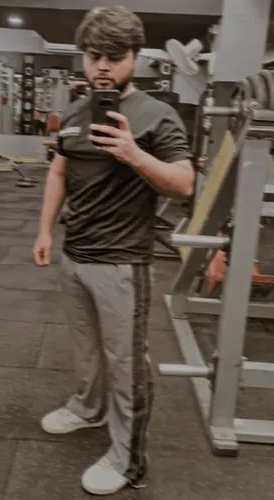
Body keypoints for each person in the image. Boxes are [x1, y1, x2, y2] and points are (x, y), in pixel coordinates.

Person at [32, 6, 194, 496]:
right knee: (85, 350)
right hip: (75, 255)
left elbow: (184, 183)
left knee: (126, 364)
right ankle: (88, 409)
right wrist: (44, 232)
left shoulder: (157, 115)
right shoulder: (74, 113)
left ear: (134, 58)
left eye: (114, 57)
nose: (102, 66)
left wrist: (133, 153)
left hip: (122, 261)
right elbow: (59, 171)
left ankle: (129, 461)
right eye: (93, 55)